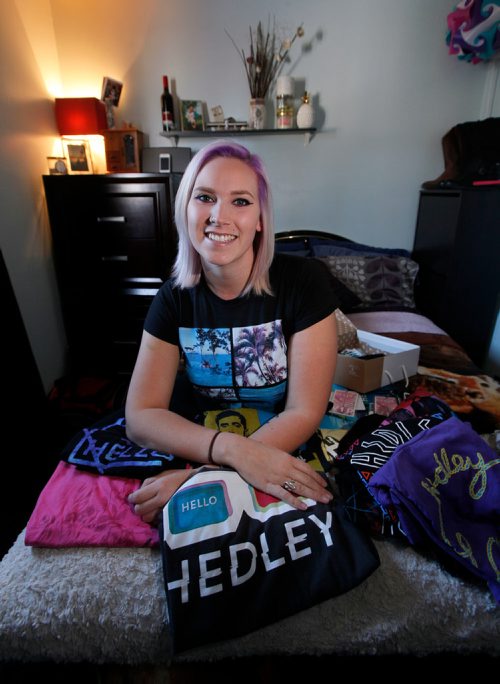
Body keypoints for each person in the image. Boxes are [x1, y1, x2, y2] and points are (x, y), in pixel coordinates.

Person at [126, 141, 339, 523]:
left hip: (281, 436)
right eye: (205, 197)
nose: (219, 216)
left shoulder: (306, 282)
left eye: (240, 201)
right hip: (217, 440)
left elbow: (305, 410)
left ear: (260, 219)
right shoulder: (172, 299)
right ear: (186, 209)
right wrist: (231, 451)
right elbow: (140, 416)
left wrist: (200, 478)